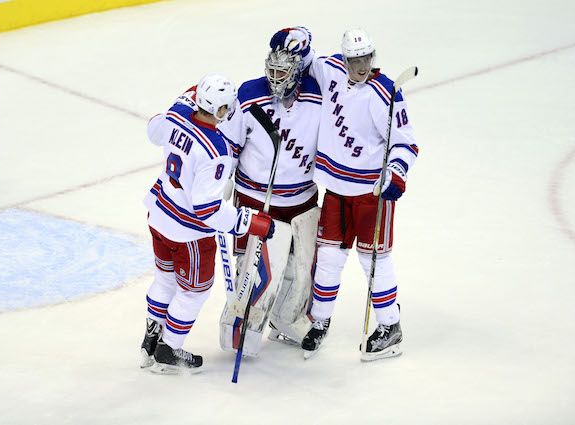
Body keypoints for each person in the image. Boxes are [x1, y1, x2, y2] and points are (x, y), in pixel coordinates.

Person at [270, 27, 419, 360]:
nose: (361, 66)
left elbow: (405, 142)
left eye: (366, 58)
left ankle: (389, 327)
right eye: (355, 60)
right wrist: (295, 36)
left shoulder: (386, 93)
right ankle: (319, 321)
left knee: (373, 261)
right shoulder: (331, 69)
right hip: (335, 192)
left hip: (370, 194)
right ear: (345, 58)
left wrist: (396, 173)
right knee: (328, 261)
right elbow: (303, 57)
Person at [139, 73, 275, 375]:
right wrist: (249, 222)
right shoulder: (216, 151)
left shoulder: (177, 114)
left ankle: (151, 339)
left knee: (165, 279)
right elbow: (207, 209)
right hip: (189, 234)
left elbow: (153, 131)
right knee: (193, 292)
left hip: (159, 216)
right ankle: (168, 350)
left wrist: (181, 100)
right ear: (220, 112)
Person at [216, 40, 323, 357]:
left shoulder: (318, 95)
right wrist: (222, 183)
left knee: (301, 268)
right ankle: (240, 327)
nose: (276, 78)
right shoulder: (249, 94)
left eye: (283, 72)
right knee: (257, 271)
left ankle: (288, 319)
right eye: (272, 70)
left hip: (303, 199)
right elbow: (229, 144)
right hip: (256, 198)